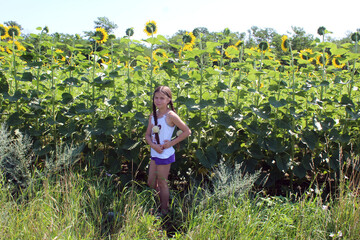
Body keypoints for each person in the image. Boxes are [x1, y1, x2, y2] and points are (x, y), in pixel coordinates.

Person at [145, 86, 191, 216]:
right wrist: (153, 146)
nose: (158, 101)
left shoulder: (170, 115)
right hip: (155, 152)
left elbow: (187, 131)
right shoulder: (153, 116)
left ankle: (165, 211)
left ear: (168, 100)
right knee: (151, 182)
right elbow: (147, 135)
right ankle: (162, 201)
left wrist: (170, 143)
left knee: (162, 182)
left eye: (162, 98)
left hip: (165, 154)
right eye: (156, 97)